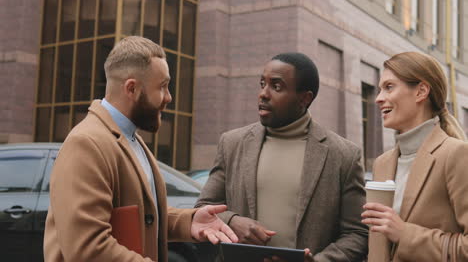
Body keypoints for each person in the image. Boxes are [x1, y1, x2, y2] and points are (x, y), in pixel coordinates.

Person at [44, 36, 238, 262]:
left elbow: (139, 216)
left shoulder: (129, 138)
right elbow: (87, 249)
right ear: (132, 89)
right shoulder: (86, 143)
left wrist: (188, 221)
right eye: (163, 87)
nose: (169, 97)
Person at [196, 52, 368, 261]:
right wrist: (232, 221)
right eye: (262, 84)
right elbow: (202, 209)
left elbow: (357, 234)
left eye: (276, 87)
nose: (263, 94)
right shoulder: (232, 143)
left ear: (305, 98)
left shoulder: (344, 156)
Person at [361, 51, 468, 261]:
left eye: (389, 87)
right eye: (380, 89)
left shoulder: (455, 155)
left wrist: (405, 234)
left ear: (421, 91)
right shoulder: (382, 163)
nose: (378, 98)